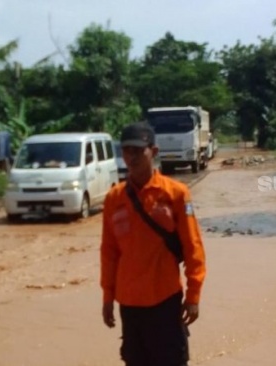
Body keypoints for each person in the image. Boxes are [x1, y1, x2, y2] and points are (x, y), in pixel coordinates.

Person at [100, 122, 207, 366]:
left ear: (154, 151)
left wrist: (193, 296)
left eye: (139, 150)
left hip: (165, 301)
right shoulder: (114, 198)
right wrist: (108, 296)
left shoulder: (176, 194)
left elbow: (193, 247)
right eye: (127, 150)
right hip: (129, 303)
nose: (132, 157)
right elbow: (109, 252)